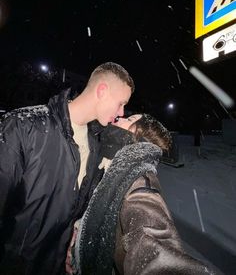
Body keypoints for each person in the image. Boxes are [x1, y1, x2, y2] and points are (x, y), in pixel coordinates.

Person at [0, 62, 134, 275]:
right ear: (102, 91)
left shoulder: (95, 146)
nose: (121, 112)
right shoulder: (23, 127)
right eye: (121, 103)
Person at [69, 114, 219, 275]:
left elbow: (154, 248)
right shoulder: (109, 165)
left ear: (138, 136)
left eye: (129, 119)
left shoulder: (140, 181)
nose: (120, 117)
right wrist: (76, 232)